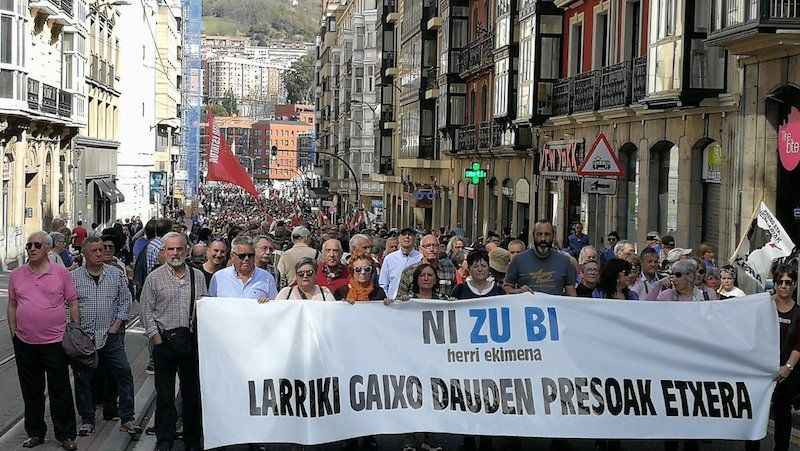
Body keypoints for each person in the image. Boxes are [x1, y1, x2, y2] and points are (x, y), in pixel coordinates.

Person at [8, 231, 80, 450]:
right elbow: (12, 304)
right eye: (29, 245)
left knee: (60, 390)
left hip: (56, 341)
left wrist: (74, 331)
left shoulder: (61, 273)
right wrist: (14, 332)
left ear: (47, 248)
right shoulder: (17, 274)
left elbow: (73, 302)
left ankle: (66, 435)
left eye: (36, 245)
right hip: (25, 342)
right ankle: (35, 433)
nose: (31, 248)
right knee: (31, 390)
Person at [140, 232, 208, 451]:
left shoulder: (197, 276)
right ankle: (165, 439)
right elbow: (145, 312)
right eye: (171, 249)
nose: (175, 253)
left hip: (189, 343)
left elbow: (204, 308)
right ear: (164, 252)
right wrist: (157, 339)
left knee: (191, 396)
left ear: (186, 251)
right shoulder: (155, 278)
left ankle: (192, 440)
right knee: (165, 397)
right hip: (165, 344)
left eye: (179, 249)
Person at [71, 237, 141, 437]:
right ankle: (87, 419)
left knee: (124, 372)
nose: (100, 254)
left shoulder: (115, 275)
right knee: (83, 378)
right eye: (94, 251)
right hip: (85, 337)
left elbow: (125, 301)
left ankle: (127, 418)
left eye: (101, 250)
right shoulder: (74, 277)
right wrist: (75, 329)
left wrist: (117, 324)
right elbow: (67, 304)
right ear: (84, 254)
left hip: (110, 336)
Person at [745, 265, 799, 451]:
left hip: (785, 373)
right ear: (774, 284)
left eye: (788, 282)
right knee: (755, 415)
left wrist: (788, 368)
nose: (784, 286)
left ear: (794, 285)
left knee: (783, 415)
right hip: (760, 371)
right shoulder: (762, 306)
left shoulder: (799, 313)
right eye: (780, 282)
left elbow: (798, 346)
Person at [504, 220, 577, 296]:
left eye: (547, 234)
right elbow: (506, 288)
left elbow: (572, 296)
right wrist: (519, 291)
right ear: (533, 236)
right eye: (539, 234)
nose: (543, 239)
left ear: (553, 236)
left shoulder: (565, 261)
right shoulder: (518, 260)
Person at [209, 236, 278, 302]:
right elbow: (211, 306)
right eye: (242, 256)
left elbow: (274, 306)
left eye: (250, 255)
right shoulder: (218, 277)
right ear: (232, 256)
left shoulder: (267, 278)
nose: (247, 259)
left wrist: (268, 303)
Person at [379, 228, 422, 299]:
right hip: (393, 302)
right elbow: (383, 283)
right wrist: (388, 298)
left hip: (415, 301)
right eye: (404, 234)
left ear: (415, 238)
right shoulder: (389, 258)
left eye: (410, 234)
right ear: (399, 238)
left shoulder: (421, 257)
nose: (407, 237)